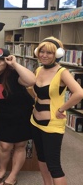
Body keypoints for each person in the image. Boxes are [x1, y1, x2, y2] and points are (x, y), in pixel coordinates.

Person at [31, 37, 83, 185]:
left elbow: (79, 93)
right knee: (41, 158)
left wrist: (62, 108)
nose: (44, 55)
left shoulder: (62, 72)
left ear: (57, 54)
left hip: (52, 125)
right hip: (35, 121)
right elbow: (37, 92)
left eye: (49, 52)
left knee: (54, 166)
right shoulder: (38, 69)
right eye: (42, 51)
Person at [0, 48, 36, 185]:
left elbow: (31, 81)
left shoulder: (13, 74)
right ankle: (2, 170)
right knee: (5, 146)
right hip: (4, 115)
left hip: (22, 115)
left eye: (2, 59)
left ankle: (12, 176)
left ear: (7, 61)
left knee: (20, 145)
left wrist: (15, 64)